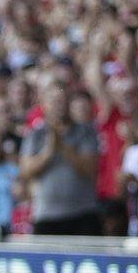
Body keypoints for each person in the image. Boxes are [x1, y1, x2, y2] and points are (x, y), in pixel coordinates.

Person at [20, 85, 102, 235]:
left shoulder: (86, 132)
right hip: (47, 216)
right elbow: (26, 171)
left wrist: (64, 148)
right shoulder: (35, 135)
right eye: (54, 101)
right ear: (44, 104)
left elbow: (90, 169)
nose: (59, 105)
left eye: (62, 100)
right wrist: (49, 152)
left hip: (83, 214)